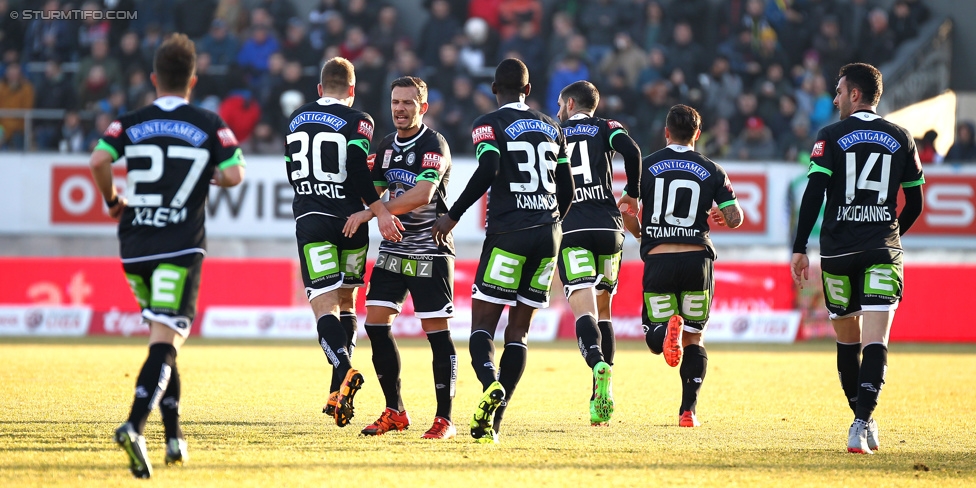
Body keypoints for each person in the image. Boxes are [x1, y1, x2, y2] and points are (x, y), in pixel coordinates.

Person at [90, 33, 246, 479]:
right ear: (193, 80)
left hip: (135, 243)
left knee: (162, 335)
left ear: (155, 78)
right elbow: (235, 173)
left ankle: (174, 437)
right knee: (167, 338)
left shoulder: (129, 121)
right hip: (179, 245)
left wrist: (112, 200)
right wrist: (207, 174)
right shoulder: (208, 121)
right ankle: (135, 426)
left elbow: (98, 162)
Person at [431, 58, 575, 444]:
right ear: (528, 91)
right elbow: (569, 192)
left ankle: (490, 383)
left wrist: (453, 215)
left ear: (495, 90)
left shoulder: (488, 123)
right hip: (548, 235)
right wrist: (551, 220)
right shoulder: (552, 126)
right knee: (519, 332)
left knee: (482, 326)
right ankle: (494, 422)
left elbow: (489, 167)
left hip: (509, 233)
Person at [791, 62, 924, 454]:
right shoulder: (901, 137)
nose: (834, 99)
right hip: (881, 249)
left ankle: (859, 419)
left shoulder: (830, 135)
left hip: (837, 252)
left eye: (838, 90)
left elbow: (813, 194)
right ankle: (862, 421)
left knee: (848, 343)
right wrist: (891, 232)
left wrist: (800, 247)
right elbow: (915, 201)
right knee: (876, 340)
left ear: (854, 94)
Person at [285, 57, 403, 429]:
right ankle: (337, 389)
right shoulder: (360, 119)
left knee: (323, 308)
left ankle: (344, 370)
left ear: (320, 89)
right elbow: (355, 163)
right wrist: (377, 208)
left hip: (313, 220)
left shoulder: (296, 118)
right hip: (351, 221)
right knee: (347, 300)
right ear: (352, 91)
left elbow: (292, 167)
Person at [341, 76, 459, 439]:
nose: (400, 109)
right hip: (393, 251)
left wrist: (376, 213)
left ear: (423, 107)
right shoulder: (386, 145)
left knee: (436, 331)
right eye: (395, 102)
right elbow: (373, 192)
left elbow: (423, 194)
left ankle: (445, 419)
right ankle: (395, 411)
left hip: (430, 249)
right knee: (375, 323)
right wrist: (374, 207)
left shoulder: (434, 144)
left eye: (408, 103)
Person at [622, 104, 744, 428]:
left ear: (666, 133)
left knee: (653, 335)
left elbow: (625, 210)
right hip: (697, 259)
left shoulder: (645, 167)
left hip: (660, 258)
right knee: (695, 337)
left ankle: (663, 332)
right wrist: (721, 215)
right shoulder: (712, 169)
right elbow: (735, 217)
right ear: (698, 135)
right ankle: (688, 411)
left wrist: (642, 236)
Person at [554, 80, 642, 426]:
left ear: (571, 103)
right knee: (604, 309)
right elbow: (632, 151)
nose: (560, 110)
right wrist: (632, 193)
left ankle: (596, 363)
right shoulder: (607, 127)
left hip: (573, 227)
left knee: (582, 309)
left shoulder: (555, 131)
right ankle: (599, 396)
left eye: (562, 104)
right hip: (609, 228)